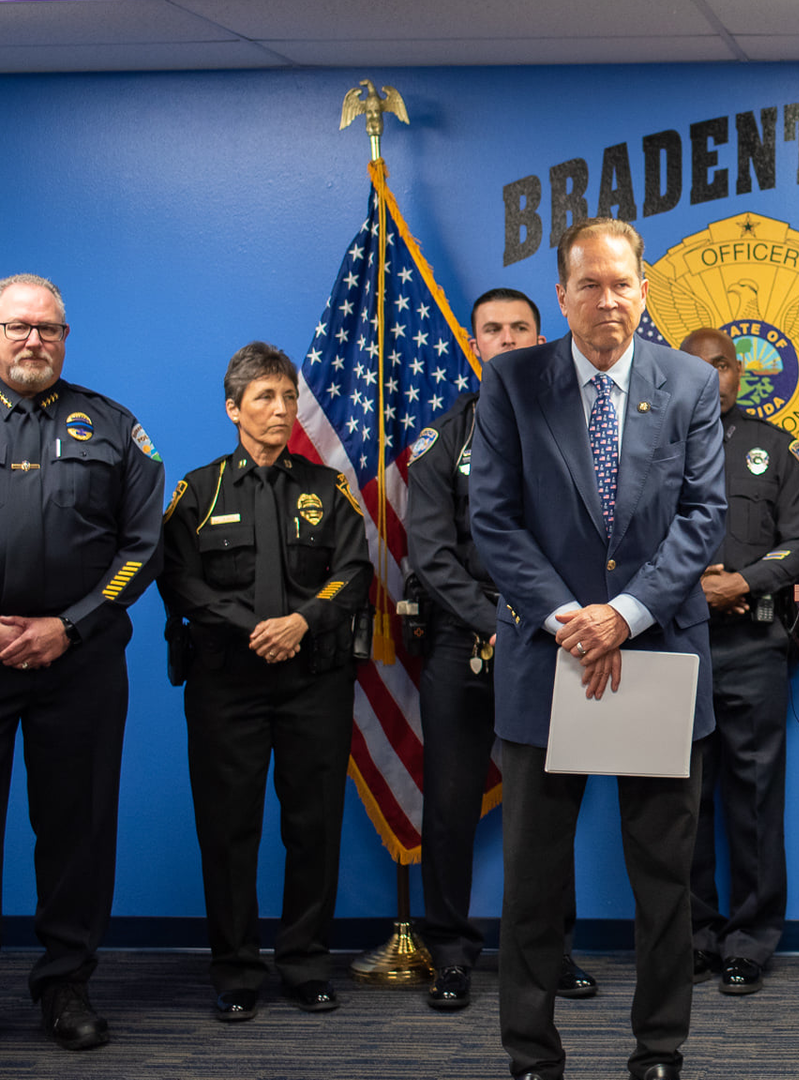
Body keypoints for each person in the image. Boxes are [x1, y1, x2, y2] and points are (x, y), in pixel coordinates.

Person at [469, 217, 725, 1080]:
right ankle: (532, 1053)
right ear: (562, 294)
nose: (607, 300)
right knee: (533, 883)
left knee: (664, 882)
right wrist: (572, 620)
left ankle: (659, 1048)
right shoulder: (509, 383)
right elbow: (493, 522)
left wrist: (624, 614)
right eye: (590, 284)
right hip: (548, 662)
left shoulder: (690, 383)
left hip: (654, 654)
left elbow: (702, 518)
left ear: (643, 287)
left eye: (622, 283)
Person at [159, 342, 373, 1021]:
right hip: (228, 685)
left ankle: (306, 964)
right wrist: (252, 624)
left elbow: (354, 571)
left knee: (314, 826)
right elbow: (179, 578)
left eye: (287, 398)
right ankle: (236, 971)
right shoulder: (198, 491)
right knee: (229, 831)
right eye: (264, 399)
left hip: (314, 678)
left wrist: (301, 622)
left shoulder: (326, 488)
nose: (280, 411)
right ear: (234, 409)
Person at [409, 288, 599, 1010]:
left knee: (548, 808)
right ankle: (450, 954)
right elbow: (430, 552)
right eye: (495, 329)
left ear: (541, 335)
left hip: (557, 643)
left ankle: (550, 952)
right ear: (474, 341)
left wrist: (552, 619)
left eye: (522, 327)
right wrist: (498, 619)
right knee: (452, 807)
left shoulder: (579, 427)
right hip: (471, 640)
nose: (509, 338)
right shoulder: (444, 435)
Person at [0, 273, 164, 1050]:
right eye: (17, 326)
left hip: (80, 663)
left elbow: (143, 548)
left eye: (48, 328)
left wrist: (69, 624)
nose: (34, 339)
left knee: (77, 831)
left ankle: (65, 985)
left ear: (66, 337)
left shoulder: (112, 426)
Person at [677, 327, 799, 995]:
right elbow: (624, 537)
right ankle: (696, 936)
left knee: (755, 802)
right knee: (681, 801)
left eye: (723, 364)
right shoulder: (650, 445)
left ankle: (751, 942)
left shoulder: (776, 450)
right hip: (673, 647)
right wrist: (690, 587)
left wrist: (744, 581)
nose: (712, 376)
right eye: (697, 366)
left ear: (740, 373)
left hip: (754, 648)